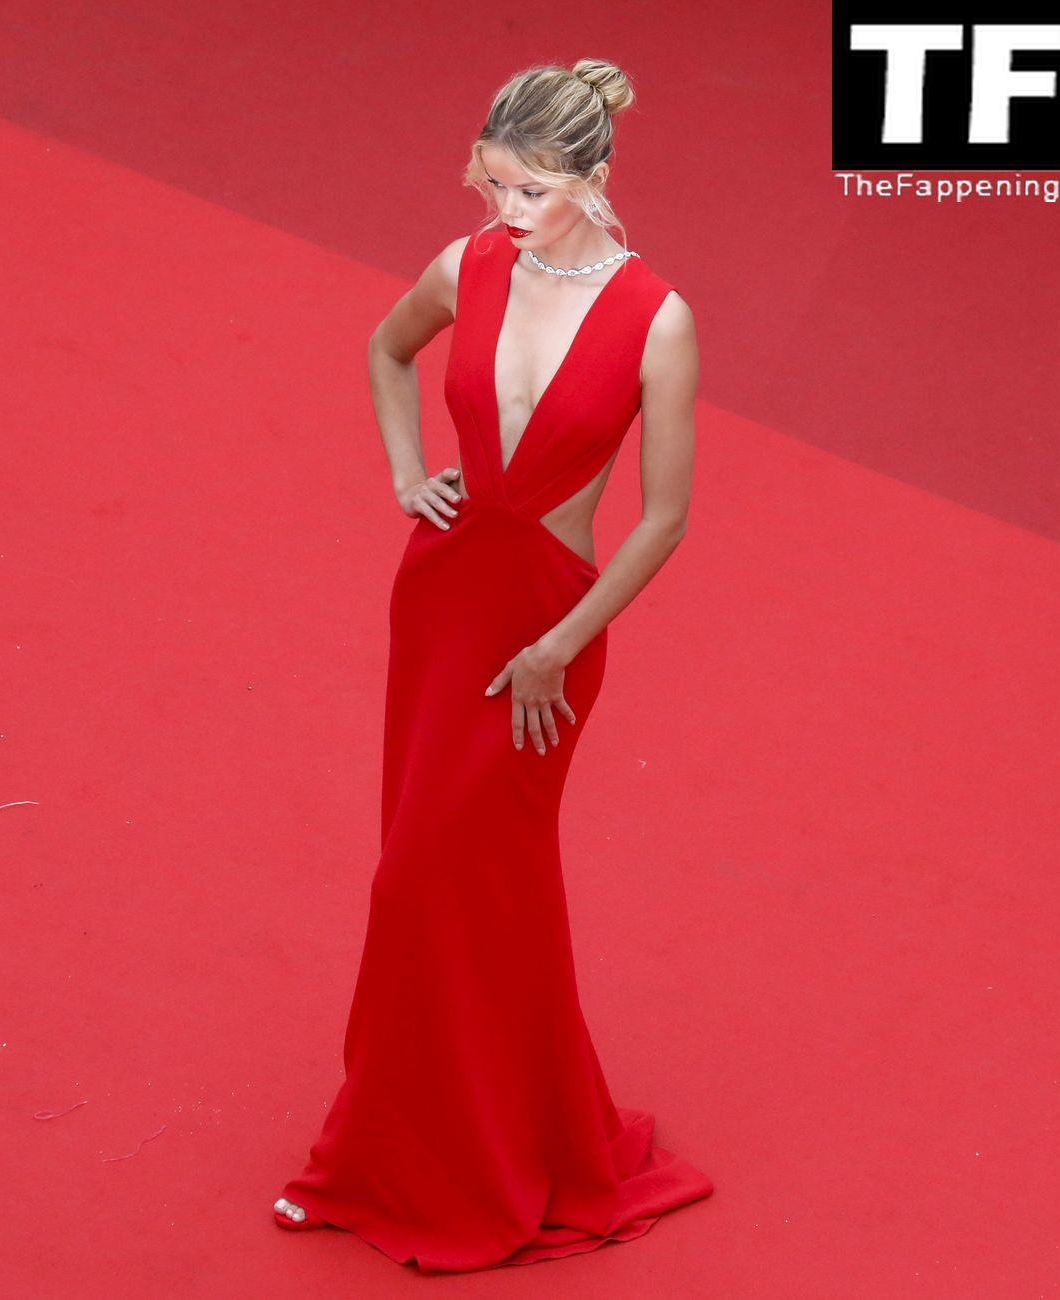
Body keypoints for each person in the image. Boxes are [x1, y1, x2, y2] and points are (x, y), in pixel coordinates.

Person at [270, 59, 713, 1273]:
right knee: (422, 881)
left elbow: (665, 516)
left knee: (459, 883)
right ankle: (394, 1150)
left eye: (531, 191)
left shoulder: (656, 318)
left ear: (596, 178)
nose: (505, 212)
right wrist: (406, 472)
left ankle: (488, 1149)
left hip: (548, 628)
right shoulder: (464, 268)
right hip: (442, 600)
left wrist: (558, 648)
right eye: (495, 185)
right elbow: (385, 352)